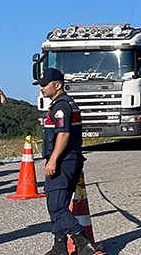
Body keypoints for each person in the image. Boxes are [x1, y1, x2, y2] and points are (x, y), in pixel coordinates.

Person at [35, 68, 103, 255]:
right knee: (57, 204)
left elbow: (63, 134)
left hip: (64, 160)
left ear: (57, 85)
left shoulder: (61, 106)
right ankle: (59, 247)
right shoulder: (63, 104)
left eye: (44, 85)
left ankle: (83, 244)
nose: (41, 88)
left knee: (56, 205)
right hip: (68, 159)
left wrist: (53, 160)